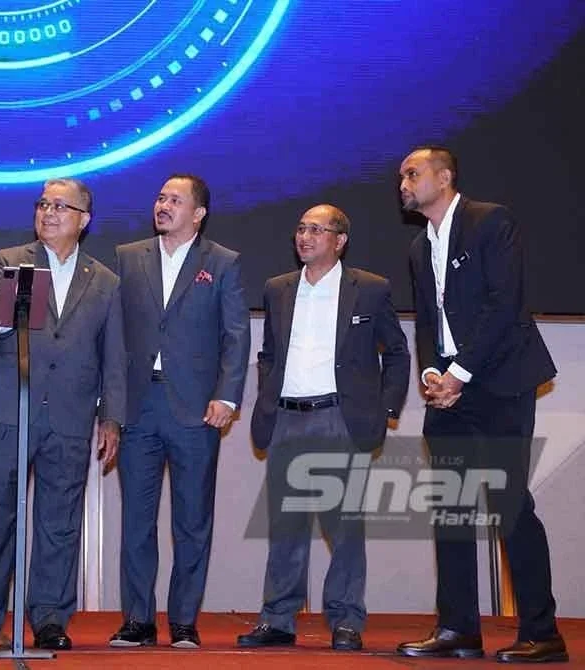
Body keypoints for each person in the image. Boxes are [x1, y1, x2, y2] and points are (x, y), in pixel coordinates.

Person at [395, 147, 567, 663]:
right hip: (449, 389)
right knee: (451, 507)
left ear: (445, 177)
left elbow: (503, 303)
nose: (403, 183)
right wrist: (432, 372)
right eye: (401, 177)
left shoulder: (490, 221)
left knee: (508, 502)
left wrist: (460, 373)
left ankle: (543, 633)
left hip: (500, 382)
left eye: (412, 173)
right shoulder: (419, 247)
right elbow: (428, 321)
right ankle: (458, 630)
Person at [0, 178, 125, 652]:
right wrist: (12, 307)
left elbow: (114, 355)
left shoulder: (105, 280)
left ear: (84, 219)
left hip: (72, 413)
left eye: (60, 206)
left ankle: (50, 617)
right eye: (43, 204)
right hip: (11, 406)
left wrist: (111, 417)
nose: (48, 212)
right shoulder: (11, 261)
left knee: (60, 519)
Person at [237, 204, 409, 651]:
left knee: (343, 527)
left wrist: (386, 408)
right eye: (301, 228)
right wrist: (268, 395)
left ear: (340, 240)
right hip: (286, 418)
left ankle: (346, 619)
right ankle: (278, 619)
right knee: (286, 527)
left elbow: (396, 351)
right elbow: (269, 353)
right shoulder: (277, 288)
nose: (305, 236)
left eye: (316, 229)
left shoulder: (369, 289)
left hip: (340, 418)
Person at [110, 173, 250, 649]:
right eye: (160, 197)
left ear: (199, 213)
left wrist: (228, 396)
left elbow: (236, 335)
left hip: (196, 409)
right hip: (138, 406)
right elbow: (114, 336)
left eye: (175, 200)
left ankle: (184, 621)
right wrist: (110, 404)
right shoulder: (128, 257)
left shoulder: (223, 262)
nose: (163, 205)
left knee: (192, 521)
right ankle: (137, 620)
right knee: (137, 521)